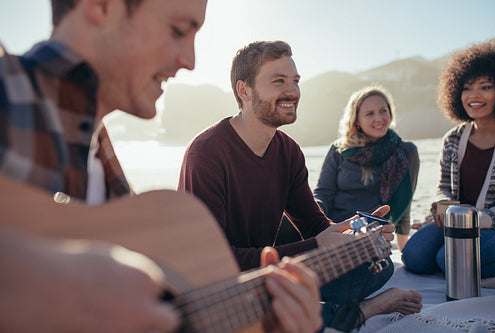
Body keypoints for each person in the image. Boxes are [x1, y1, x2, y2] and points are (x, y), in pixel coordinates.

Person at [0, 1, 324, 332]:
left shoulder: (100, 152)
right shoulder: (8, 95)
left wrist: (262, 323)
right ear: (102, 6)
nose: (190, 61)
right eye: (178, 30)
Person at [178, 40, 422, 332]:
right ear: (244, 91)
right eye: (278, 81)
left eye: (295, 81)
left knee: (376, 264)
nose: (292, 91)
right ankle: (362, 311)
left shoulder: (288, 151)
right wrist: (317, 245)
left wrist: (350, 233)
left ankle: (307, 306)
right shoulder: (206, 154)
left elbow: (314, 225)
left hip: (271, 271)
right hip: (221, 286)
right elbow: (210, 263)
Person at [401, 39, 495, 286]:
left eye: (485, 87)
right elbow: (443, 184)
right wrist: (442, 203)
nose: (474, 96)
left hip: (492, 226)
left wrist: (474, 218)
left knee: (449, 261)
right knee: (413, 256)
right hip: (458, 221)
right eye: (467, 88)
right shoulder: (454, 138)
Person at [313, 86, 420, 251]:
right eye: (369, 114)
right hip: (335, 227)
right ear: (356, 120)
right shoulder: (339, 150)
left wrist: (404, 249)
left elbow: (404, 203)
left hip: (371, 233)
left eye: (383, 111)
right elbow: (323, 193)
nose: (378, 118)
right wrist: (317, 222)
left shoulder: (406, 152)